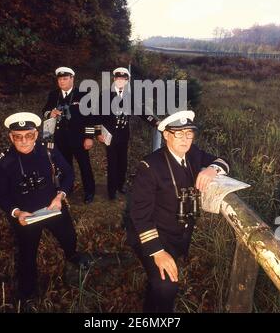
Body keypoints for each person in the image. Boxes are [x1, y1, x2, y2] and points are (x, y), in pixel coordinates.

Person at [126, 110, 230, 313]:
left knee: (157, 284)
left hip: (179, 234)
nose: (185, 139)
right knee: (166, 287)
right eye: (179, 134)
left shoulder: (193, 154)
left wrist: (212, 170)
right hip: (153, 235)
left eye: (189, 134)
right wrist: (157, 252)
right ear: (166, 135)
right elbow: (140, 216)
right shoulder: (149, 166)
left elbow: (223, 161)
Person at [0, 112, 90, 303]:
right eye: (18, 137)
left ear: (36, 135)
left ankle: (72, 255)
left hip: (52, 206)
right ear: (10, 137)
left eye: (28, 135)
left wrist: (60, 196)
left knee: (69, 236)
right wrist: (16, 212)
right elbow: (0, 194)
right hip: (26, 215)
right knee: (27, 254)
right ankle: (27, 292)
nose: (24, 141)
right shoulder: (5, 161)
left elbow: (69, 174)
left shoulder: (49, 150)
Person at [96, 67, 158, 200]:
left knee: (122, 162)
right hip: (109, 135)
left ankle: (120, 185)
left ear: (127, 81)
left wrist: (155, 122)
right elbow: (97, 116)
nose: (120, 81)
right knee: (112, 163)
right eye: (118, 78)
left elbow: (142, 112)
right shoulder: (105, 95)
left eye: (123, 79)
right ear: (114, 80)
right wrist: (97, 133)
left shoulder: (130, 97)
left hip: (124, 135)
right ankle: (111, 191)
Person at [42, 67, 96, 204]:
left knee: (85, 166)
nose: (62, 81)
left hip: (79, 138)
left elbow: (91, 118)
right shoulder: (54, 94)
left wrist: (89, 137)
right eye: (59, 79)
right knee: (65, 166)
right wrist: (50, 113)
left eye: (65, 78)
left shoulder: (83, 95)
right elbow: (45, 111)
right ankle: (68, 187)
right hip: (60, 138)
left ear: (72, 79)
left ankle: (90, 191)